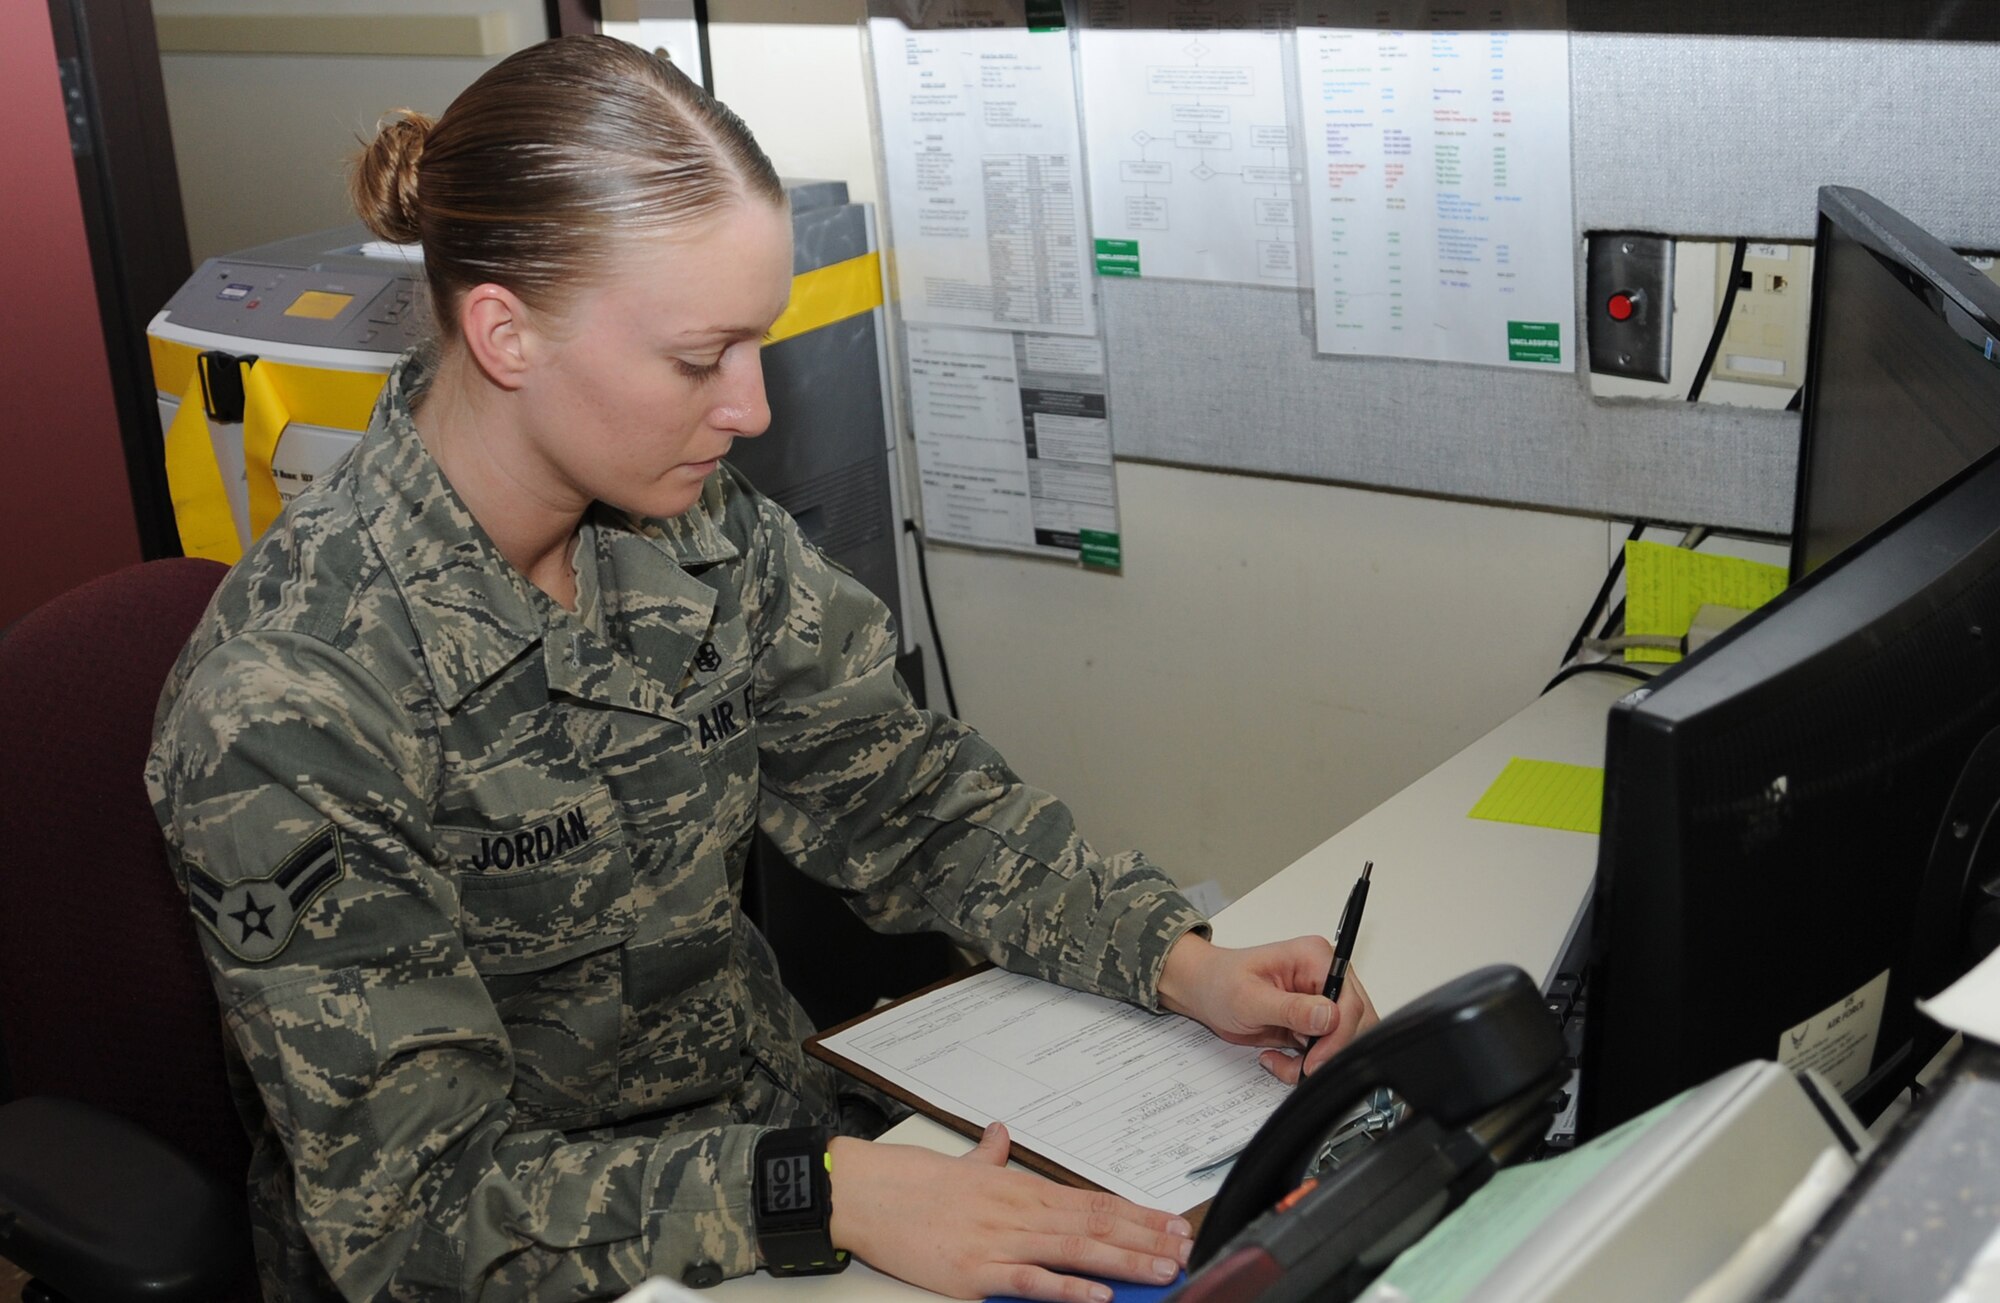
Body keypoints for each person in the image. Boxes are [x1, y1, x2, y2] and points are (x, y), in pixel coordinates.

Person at [146, 34, 1377, 1303]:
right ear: (506, 334)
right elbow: (420, 1214)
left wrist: (1180, 963)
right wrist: (821, 1189)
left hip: (784, 1157)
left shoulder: (683, 526)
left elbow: (906, 801)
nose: (752, 408)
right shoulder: (288, 703)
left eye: (756, 347)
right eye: (699, 358)